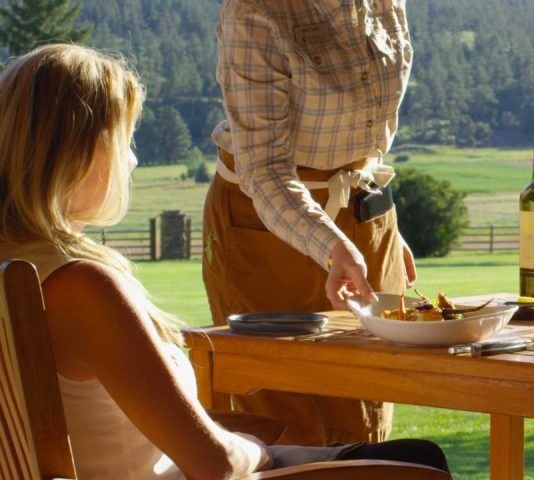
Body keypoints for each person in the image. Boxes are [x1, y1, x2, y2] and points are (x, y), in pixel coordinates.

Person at [0, 43, 447, 479]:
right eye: (123, 142)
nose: (131, 162)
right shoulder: (81, 286)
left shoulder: (20, 270)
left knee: (414, 453)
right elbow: (213, 464)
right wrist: (256, 449)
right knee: (420, 466)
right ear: (76, 155)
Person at [204, 0, 416, 445]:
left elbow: (366, 133)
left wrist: (379, 225)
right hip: (265, 226)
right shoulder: (254, 11)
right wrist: (334, 243)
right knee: (288, 419)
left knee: (368, 406)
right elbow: (264, 171)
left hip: (362, 218)